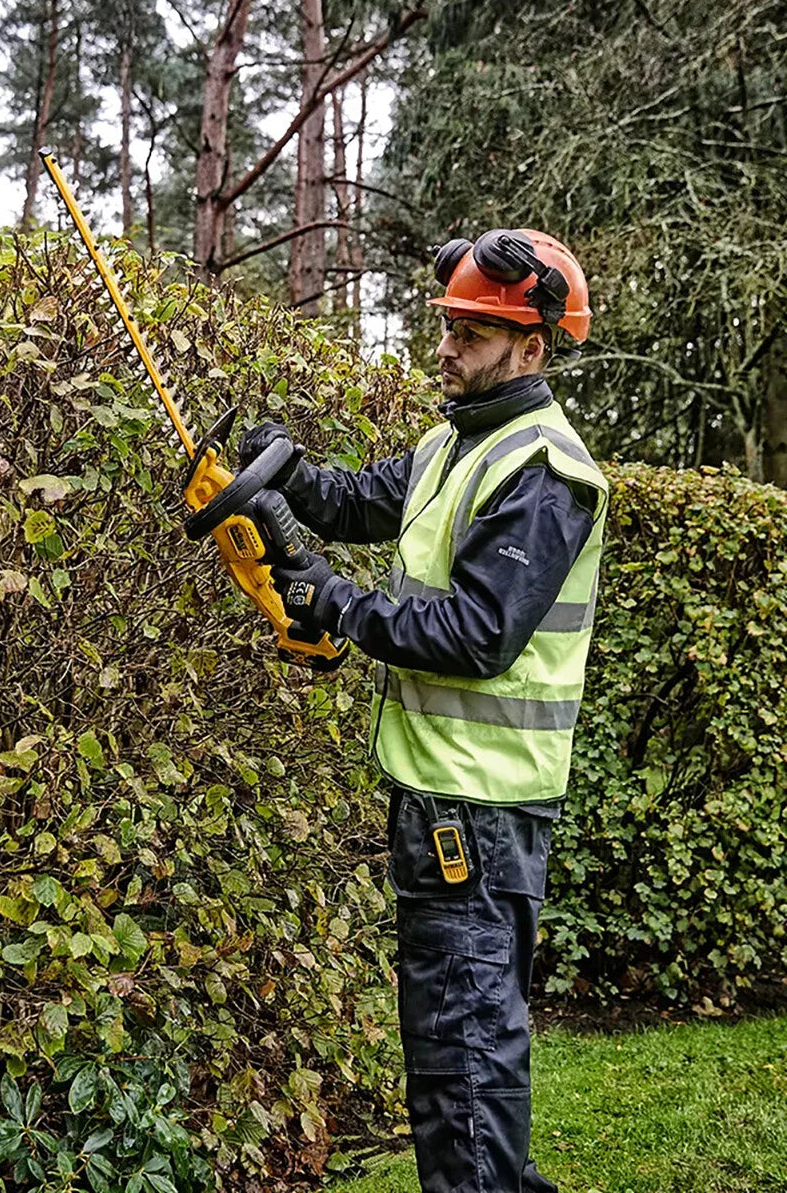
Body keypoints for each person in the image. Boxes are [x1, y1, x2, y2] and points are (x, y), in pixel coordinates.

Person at [239, 229, 608, 1193]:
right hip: (440, 800)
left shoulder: (543, 471)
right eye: (448, 325)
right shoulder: (457, 442)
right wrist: (282, 473)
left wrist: (338, 604)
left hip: (478, 812)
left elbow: (479, 634)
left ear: (531, 346)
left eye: (472, 333)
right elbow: (357, 501)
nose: (445, 347)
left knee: (464, 1068)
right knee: (458, 1057)